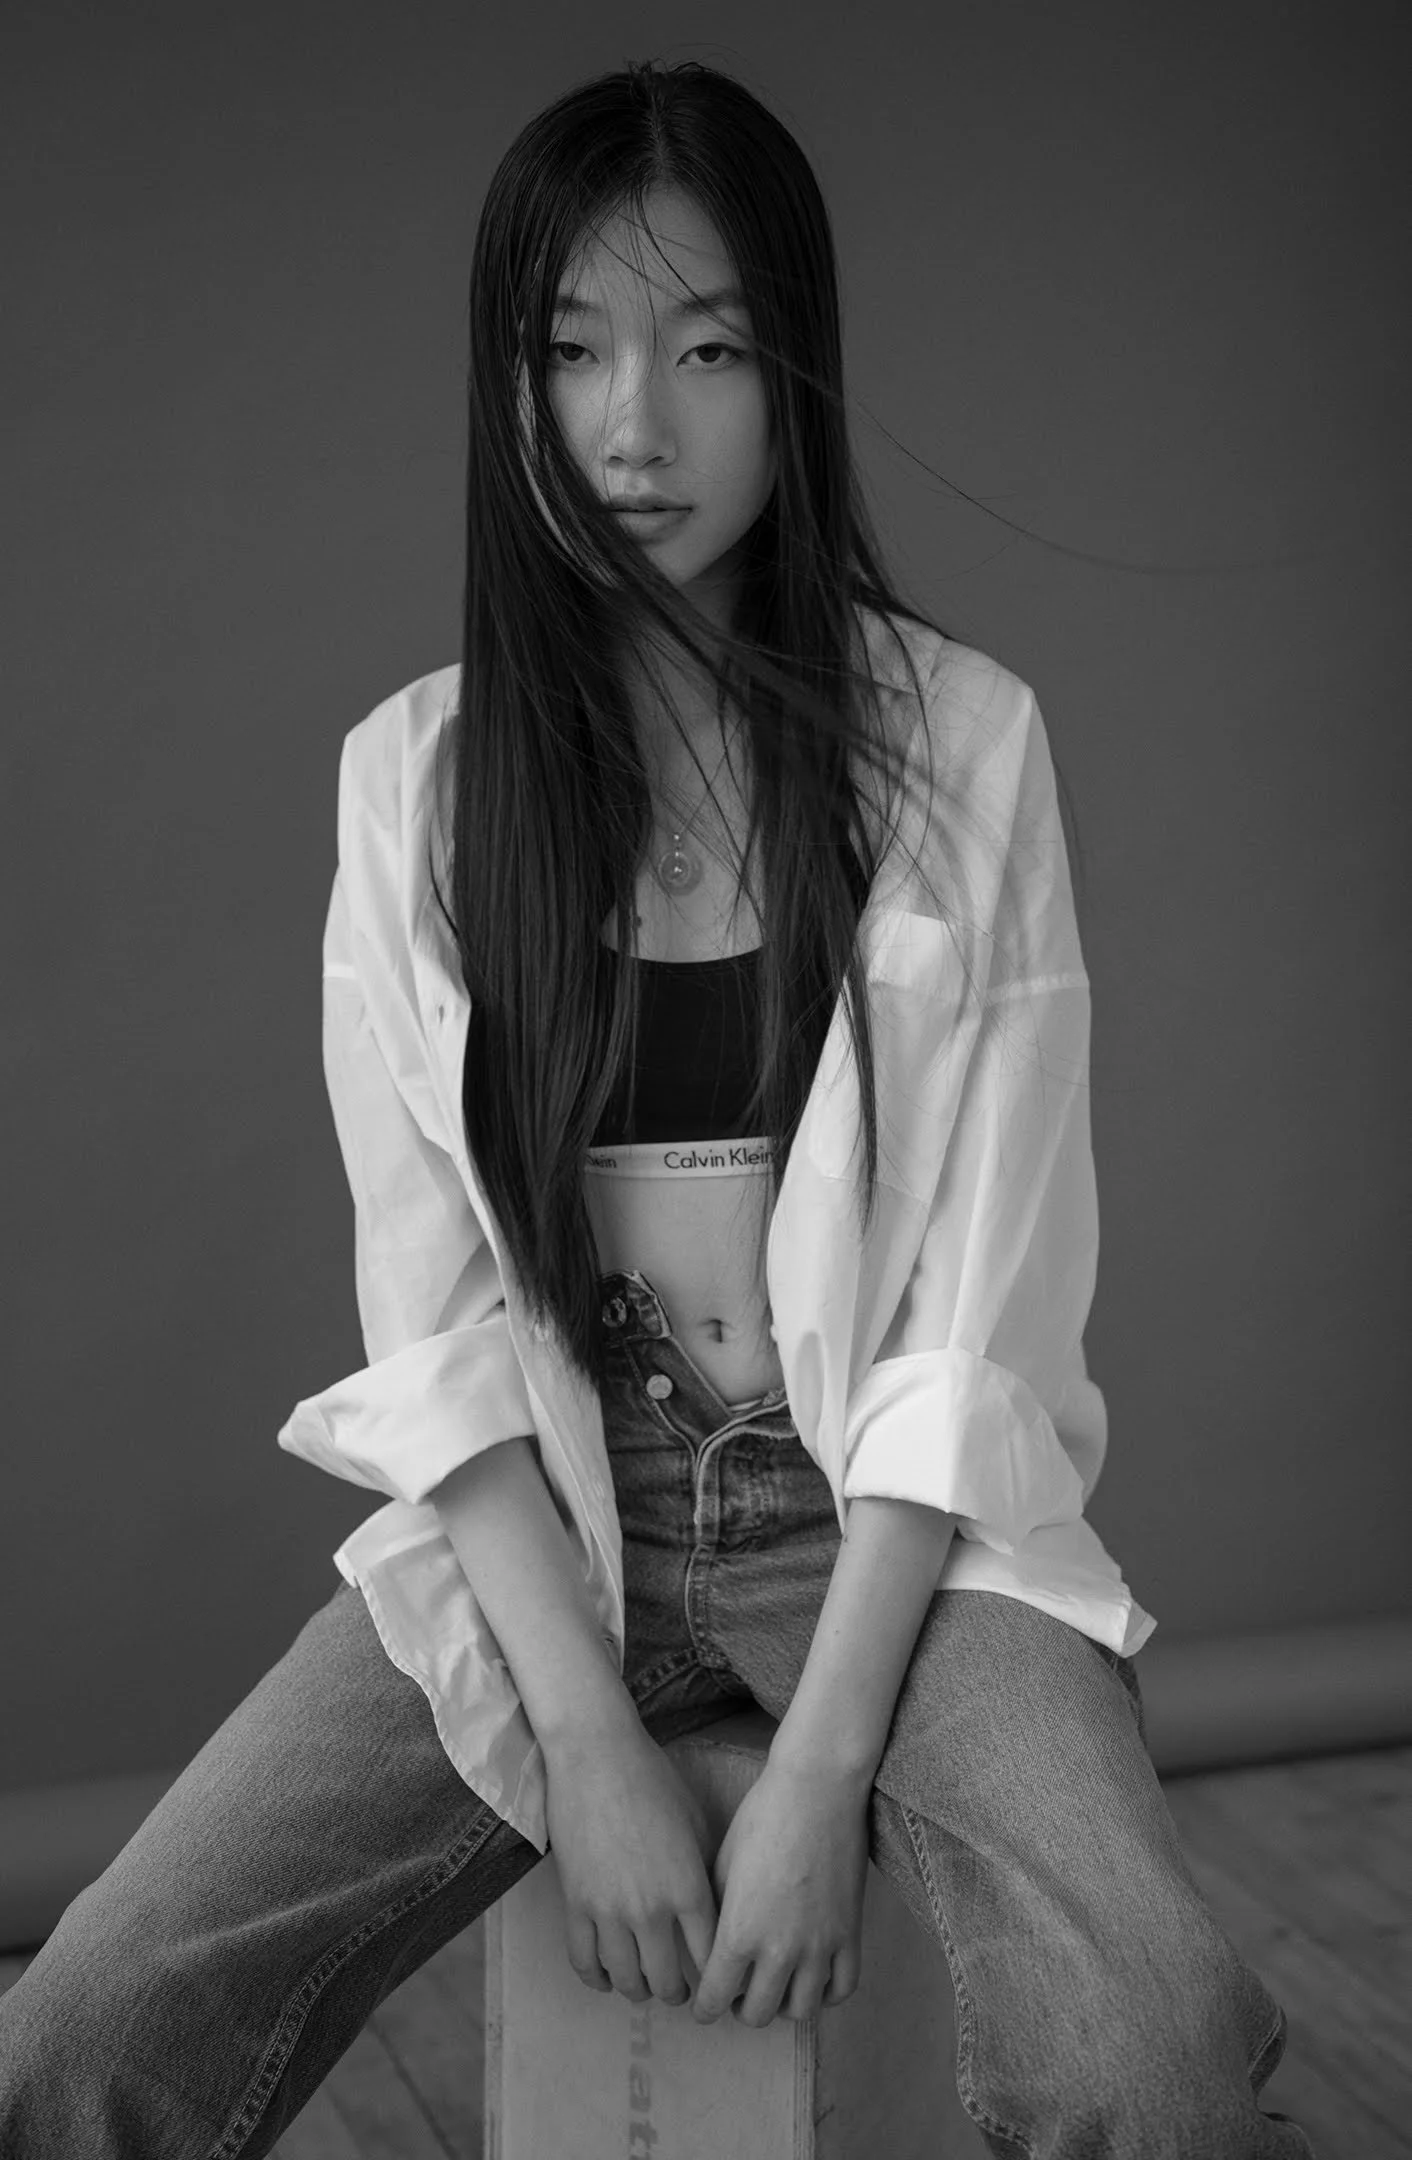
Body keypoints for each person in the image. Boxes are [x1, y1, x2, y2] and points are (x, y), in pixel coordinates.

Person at [0, 57, 1316, 2160]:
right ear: (507, 384)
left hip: (892, 1539)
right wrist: (590, 1740)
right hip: (548, 1532)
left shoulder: (961, 744)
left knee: (1149, 2052)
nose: (635, 425)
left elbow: (978, 1319)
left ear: (793, 377)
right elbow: (436, 1321)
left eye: (706, 349)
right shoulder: (415, 783)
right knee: (80, 2030)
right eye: (571, 350)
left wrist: (818, 1776)